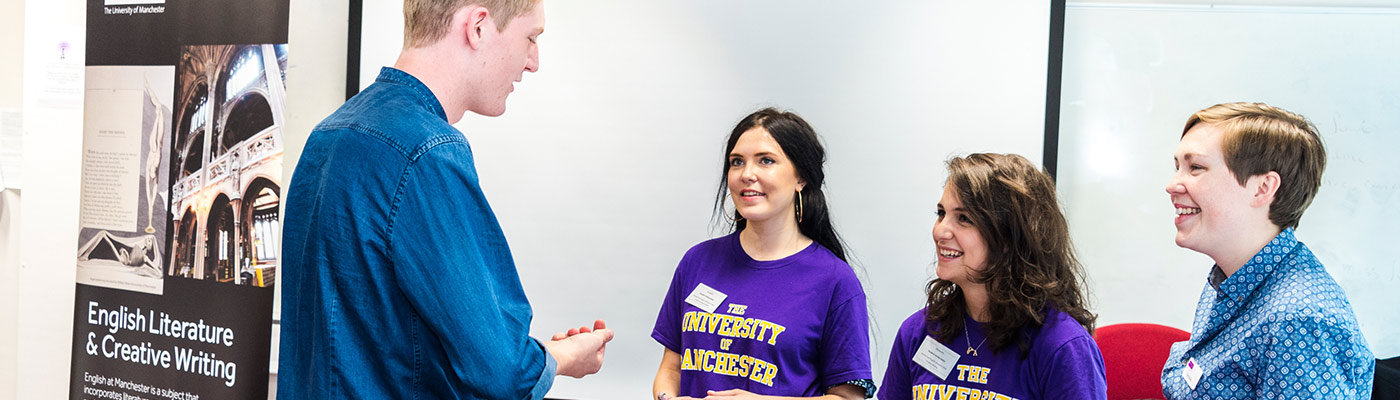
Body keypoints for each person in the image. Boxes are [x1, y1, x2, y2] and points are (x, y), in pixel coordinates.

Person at [277, 0, 614, 398]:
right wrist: (561, 357)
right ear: (478, 27)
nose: (533, 61)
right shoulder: (426, 152)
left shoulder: (328, 134)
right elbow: (501, 371)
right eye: (530, 37)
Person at [651, 108, 874, 400]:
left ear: (801, 178)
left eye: (765, 161)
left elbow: (848, 397)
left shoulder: (835, 281)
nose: (747, 174)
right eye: (736, 162)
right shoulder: (697, 261)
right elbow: (672, 369)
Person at [1160, 102, 1373, 398]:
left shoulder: (1298, 321)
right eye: (1177, 167)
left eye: (1195, 167)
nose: (1172, 185)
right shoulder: (1233, 275)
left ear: (1262, 189)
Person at [878, 153, 1106, 400]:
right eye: (941, 213)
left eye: (963, 218)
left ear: (1009, 237)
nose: (940, 230)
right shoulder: (918, 331)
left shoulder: (1062, 346)